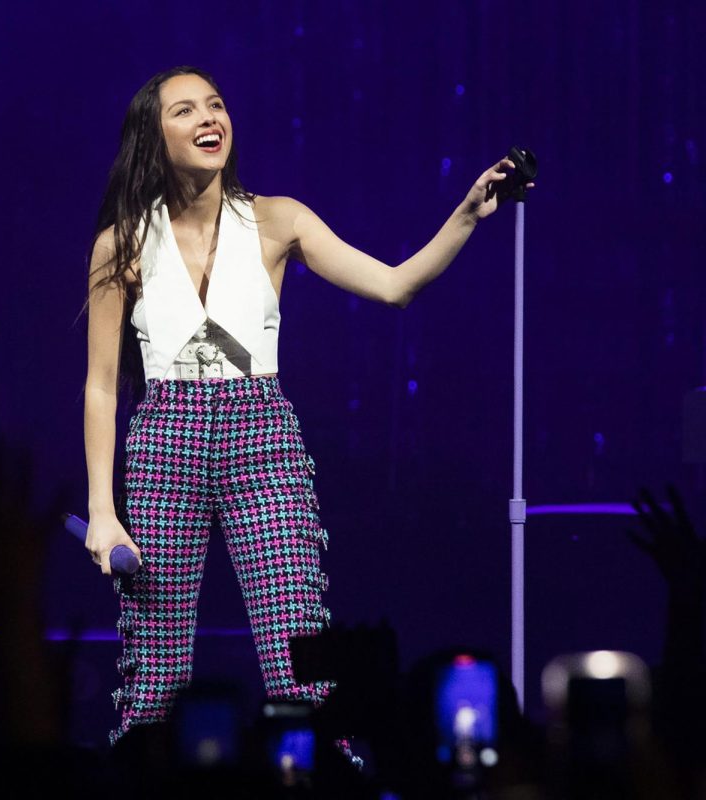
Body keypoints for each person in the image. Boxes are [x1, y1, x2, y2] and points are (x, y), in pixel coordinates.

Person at [81, 65, 534, 756]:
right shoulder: (122, 244)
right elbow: (103, 385)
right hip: (164, 437)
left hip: (260, 433)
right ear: (152, 135)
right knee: (156, 674)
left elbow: (393, 286)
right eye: (185, 110)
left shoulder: (277, 219)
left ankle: (330, 778)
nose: (210, 118)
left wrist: (468, 212)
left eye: (217, 104)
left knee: (303, 652)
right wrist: (103, 508)